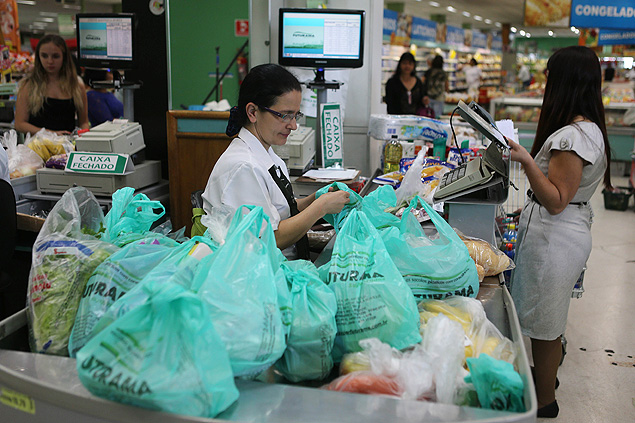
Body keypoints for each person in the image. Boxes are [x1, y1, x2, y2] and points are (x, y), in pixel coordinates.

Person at [507, 46, 611, 419]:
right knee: (545, 316)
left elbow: (556, 199)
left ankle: (545, 402)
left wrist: (523, 159)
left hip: (556, 237)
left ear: (565, 81)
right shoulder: (588, 129)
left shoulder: (571, 137)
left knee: (544, 324)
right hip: (565, 232)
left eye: (550, 76)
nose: (545, 82)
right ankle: (543, 381)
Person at [200, 64, 350, 260]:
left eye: (296, 115)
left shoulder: (267, 155)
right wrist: (321, 207)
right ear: (252, 112)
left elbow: (278, 211)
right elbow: (268, 238)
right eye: (285, 115)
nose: (294, 125)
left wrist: (313, 199)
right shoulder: (243, 167)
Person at [15, 34, 89, 135]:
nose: (50, 61)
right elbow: (19, 124)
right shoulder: (29, 85)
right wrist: (50, 134)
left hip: (68, 146)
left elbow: (84, 122)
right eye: (44, 56)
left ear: (64, 57)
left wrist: (84, 135)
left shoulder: (76, 85)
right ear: (38, 57)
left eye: (55, 56)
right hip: (37, 147)